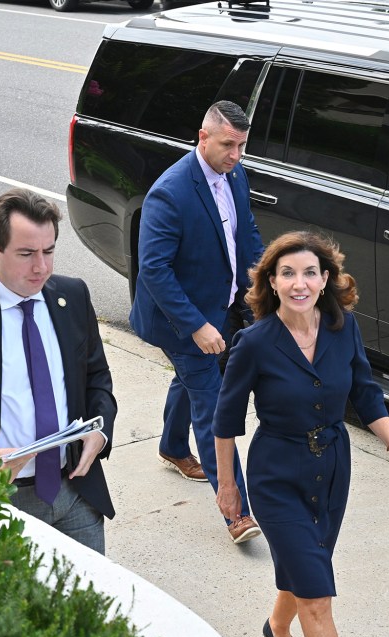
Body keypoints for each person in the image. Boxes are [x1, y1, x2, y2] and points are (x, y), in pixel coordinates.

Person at [213, 231, 389, 637]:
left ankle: (277, 628)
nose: (299, 283)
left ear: (325, 279)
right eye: (287, 273)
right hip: (276, 474)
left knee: (309, 561)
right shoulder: (253, 343)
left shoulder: (343, 328)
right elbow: (226, 419)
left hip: (331, 468)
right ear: (271, 282)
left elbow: (366, 393)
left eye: (310, 272)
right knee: (316, 594)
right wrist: (228, 486)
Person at [0, 188, 117, 554]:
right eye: (27, 254)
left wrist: (100, 432)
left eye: (49, 252)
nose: (42, 267)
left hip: (76, 493)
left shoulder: (73, 295)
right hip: (4, 500)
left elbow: (97, 378)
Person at [129, 100, 264, 544]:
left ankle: (170, 446)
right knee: (214, 407)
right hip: (181, 321)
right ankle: (236, 512)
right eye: (228, 145)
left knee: (192, 381)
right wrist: (195, 326)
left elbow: (246, 234)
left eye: (242, 145)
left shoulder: (234, 174)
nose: (236, 155)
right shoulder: (170, 192)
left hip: (220, 308)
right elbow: (154, 269)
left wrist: (262, 285)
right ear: (202, 137)